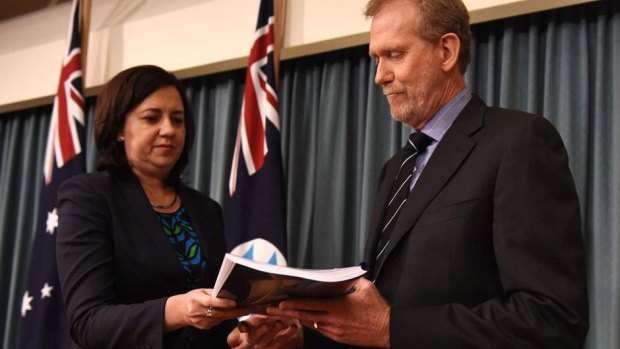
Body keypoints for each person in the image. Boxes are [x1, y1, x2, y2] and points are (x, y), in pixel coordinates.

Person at [263, 0, 590, 348]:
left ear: (446, 51)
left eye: (395, 55)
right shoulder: (396, 168)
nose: (379, 76)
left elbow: (552, 319)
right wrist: (301, 337)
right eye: (376, 58)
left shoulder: (518, 142)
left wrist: (391, 327)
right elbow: (377, 317)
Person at [56, 65, 249, 349]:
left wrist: (239, 336)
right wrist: (178, 310)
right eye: (151, 118)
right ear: (120, 128)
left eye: (178, 119)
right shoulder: (88, 196)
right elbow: (87, 321)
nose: (169, 130)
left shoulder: (206, 209)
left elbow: (213, 313)